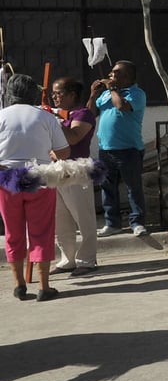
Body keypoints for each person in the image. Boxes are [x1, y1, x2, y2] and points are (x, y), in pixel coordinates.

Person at [0, 74, 70, 301]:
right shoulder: (45, 117)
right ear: (33, 93)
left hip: (7, 180)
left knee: (13, 233)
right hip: (40, 177)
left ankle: (19, 284)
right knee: (41, 231)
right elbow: (63, 152)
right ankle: (44, 286)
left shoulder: (1, 116)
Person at [87, 60, 148, 238]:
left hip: (128, 149)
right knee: (107, 187)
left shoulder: (136, 93)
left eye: (116, 73)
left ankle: (137, 222)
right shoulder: (106, 95)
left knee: (133, 187)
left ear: (127, 76)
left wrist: (113, 89)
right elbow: (90, 113)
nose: (110, 75)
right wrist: (93, 94)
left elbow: (121, 106)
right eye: (111, 72)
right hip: (105, 149)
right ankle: (112, 223)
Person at [50, 77, 98, 276]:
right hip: (56, 169)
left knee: (83, 216)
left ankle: (86, 259)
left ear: (72, 95)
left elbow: (74, 137)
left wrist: (55, 123)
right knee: (60, 218)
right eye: (53, 93)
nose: (55, 97)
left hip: (76, 170)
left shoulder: (83, 113)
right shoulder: (59, 114)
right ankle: (67, 258)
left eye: (59, 93)